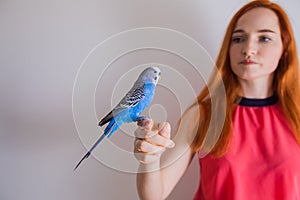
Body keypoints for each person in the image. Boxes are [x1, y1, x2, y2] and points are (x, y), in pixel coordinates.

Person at [134, 0, 300, 199]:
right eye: (238, 39)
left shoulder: (297, 114)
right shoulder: (203, 115)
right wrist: (149, 159)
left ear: (285, 47)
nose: (248, 49)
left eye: (264, 38)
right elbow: (153, 195)